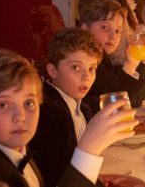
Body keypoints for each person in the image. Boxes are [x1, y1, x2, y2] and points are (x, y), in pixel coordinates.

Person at [0, 49, 137, 187]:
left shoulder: (12, 146)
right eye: (3, 105)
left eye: (29, 103)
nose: (20, 116)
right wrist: (88, 150)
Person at [29, 28, 103, 187]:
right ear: (53, 71)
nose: (87, 76)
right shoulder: (49, 114)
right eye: (76, 67)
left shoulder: (82, 106)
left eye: (92, 68)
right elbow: (59, 178)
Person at [80, 0, 145, 109]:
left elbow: (125, 92)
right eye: (105, 27)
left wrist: (131, 63)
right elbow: (121, 105)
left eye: (118, 30)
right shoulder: (88, 64)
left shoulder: (102, 57)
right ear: (85, 29)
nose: (113, 36)